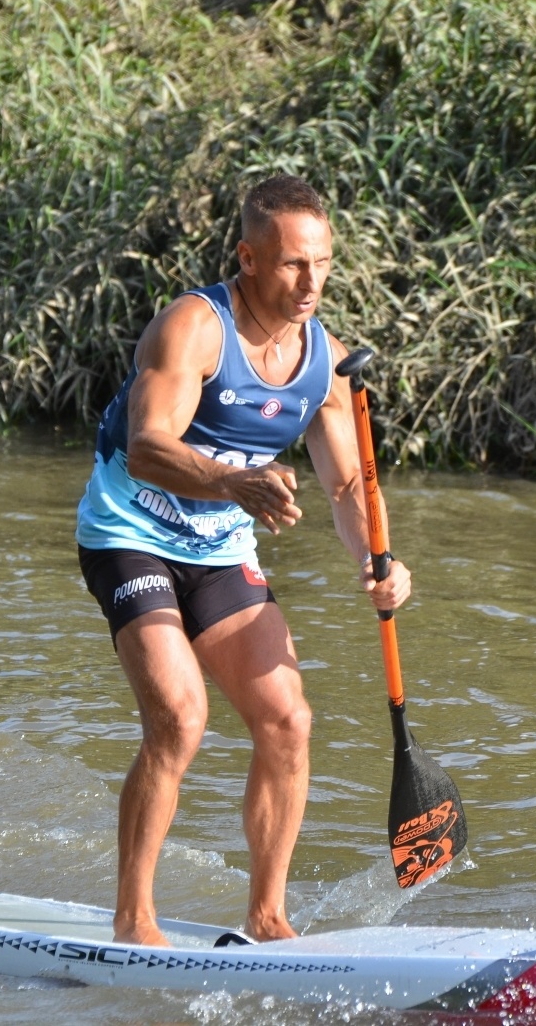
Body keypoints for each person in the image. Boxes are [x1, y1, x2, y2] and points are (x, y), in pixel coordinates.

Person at [75, 174, 412, 946]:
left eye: (323, 263)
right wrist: (232, 480)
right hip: (130, 532)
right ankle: (134, 921)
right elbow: (148, 445)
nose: (311, 283)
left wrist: (378, 560)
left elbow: (346, 484)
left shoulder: (322, 360)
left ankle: (267, 916)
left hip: (220, 546)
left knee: (288, 720)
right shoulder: (193, 328)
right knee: (179, 719)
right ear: (249, 257)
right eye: (293, 263)